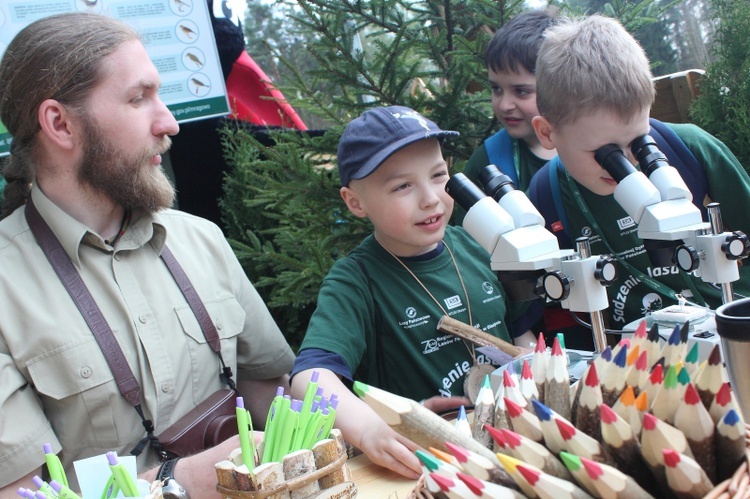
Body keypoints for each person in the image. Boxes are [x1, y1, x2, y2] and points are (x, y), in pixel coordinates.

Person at [0, 12, 295, 496]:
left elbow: (269, 386)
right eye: (139, 99)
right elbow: (19, 490)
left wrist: (371, 423)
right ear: (59, 123)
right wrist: (181, 484)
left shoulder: (200, 238)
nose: (170, 123)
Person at [290, 105, 538, 479]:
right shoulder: (356, 280)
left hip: (520, 442)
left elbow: (522, 333)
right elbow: (310, 379)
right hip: (432, 465)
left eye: (439, 175)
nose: (431, 198)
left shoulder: (480, 243)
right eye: (402, 186)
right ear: (355, 202)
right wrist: (371, 429)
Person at [528, 14, 750, 329]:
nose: (627, 165)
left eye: (638, 142)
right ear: (548, 133)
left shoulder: (691, 150)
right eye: (604, 154)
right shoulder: (545, 195)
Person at [454, 8, 558, 226]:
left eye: (521, 91)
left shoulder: (588, 147)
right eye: (496, 89)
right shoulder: (487, 160)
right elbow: (467, 245)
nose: (504, 105)